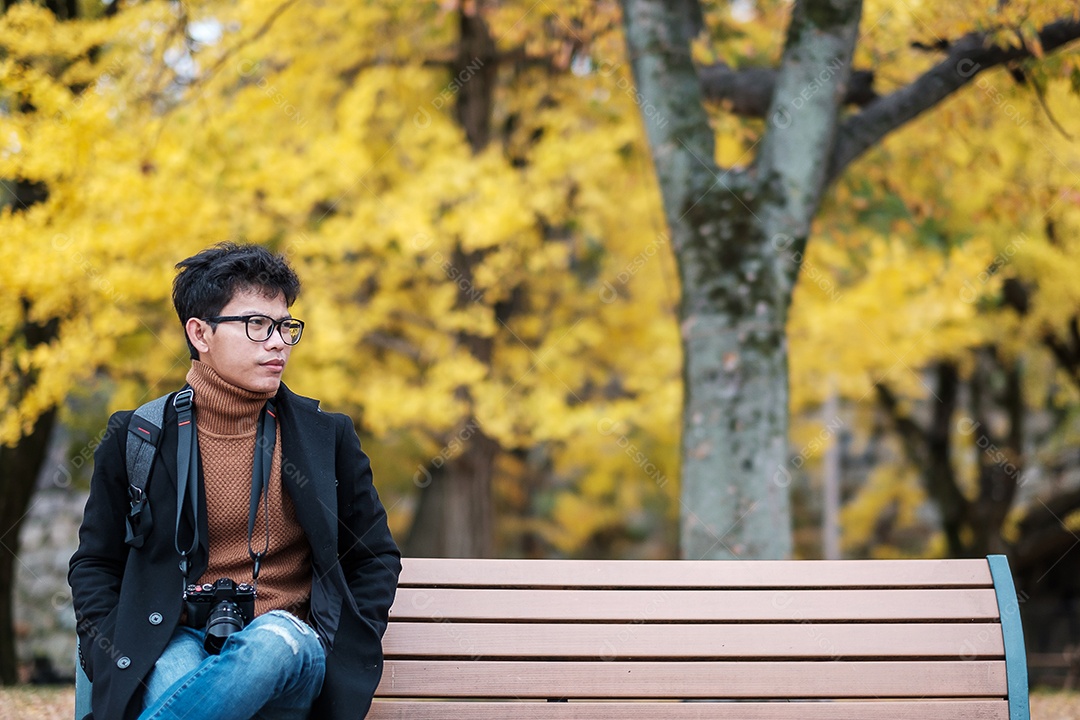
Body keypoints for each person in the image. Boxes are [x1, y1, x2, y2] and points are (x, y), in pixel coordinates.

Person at [69, 243, 401, 720]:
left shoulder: (326, 437)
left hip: (291, 645)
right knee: (175, 673)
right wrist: (110, 646)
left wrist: (348, 639)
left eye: (286, 326)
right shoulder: (139, 436)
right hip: (175, 636)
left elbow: (375, 557)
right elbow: (96, 564)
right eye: (256, 325)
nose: (278, 342)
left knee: (270, 642)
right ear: (200, 333)